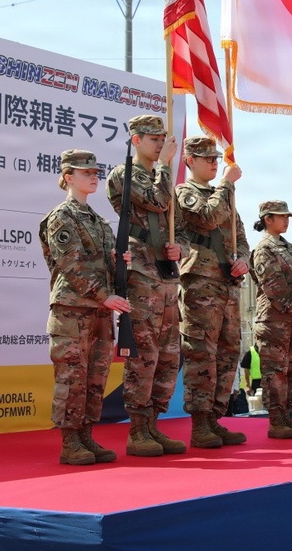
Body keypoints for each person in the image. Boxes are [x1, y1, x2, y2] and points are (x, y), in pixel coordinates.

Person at [39, 149, 132, 466]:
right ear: (68, 177)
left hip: (100, 312)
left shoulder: (101, 223)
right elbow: (71, 265)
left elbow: (104, 266)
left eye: (95, 173)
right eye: (85, 173)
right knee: (72, 377)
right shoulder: (61, 218)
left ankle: (86, 435)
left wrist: (120, 263)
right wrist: (102, 295)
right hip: (72, 311)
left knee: (95, 377)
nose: (93, 177)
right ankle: (70, 442)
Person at [106, 115, 190, 457]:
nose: (160, 144)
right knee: (144, 353)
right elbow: (157, 201)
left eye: (162, 138)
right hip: (141, 273)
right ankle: (138, 429)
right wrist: (167, 165)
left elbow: (178, 223)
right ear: (136, 140)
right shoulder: (124, 175)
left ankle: (154, 422)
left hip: (167, 274)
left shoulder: (162, 176)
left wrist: (179, 246)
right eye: (153, 138)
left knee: (169, 355)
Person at [176, 136, 250, 449]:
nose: (213, 162)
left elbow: (242, 238)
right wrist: (226, 185)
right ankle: (200, 422)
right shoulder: (184, 192)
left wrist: (244, 260)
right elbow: (206, 218)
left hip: (227, 284)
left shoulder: (224, 194)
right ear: (189, 160)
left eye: (215, 158)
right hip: (200, 283)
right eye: (206, 158)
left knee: (228, 352)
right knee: (201, 354)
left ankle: (216, 417)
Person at [249, 200, 292, 439]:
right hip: (275, 320)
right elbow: (272, 284)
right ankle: (277, 420)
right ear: (268, 219)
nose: (286, 220)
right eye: (281, 216)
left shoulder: (290, 248)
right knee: (276, 371)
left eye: (288, 216)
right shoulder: (264, 249)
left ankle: (287, 416)